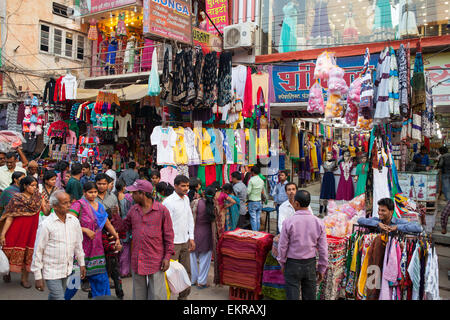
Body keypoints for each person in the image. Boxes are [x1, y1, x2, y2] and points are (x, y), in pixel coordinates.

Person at [112, 180, 174, 300]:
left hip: (156, 258)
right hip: (138, 258)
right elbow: (123, 227)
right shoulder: (134, 210)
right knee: (138, 294)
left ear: (143, 194)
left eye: (134, 193)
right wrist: (116, 217)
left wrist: (167, 257)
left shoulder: (162, 211)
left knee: (156, 295)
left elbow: (169, 236)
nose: (131, 195)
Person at [68, 182, 121, 298]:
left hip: (96, 249)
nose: (93, 195)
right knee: (74, 282)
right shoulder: (79, 205)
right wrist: (85, 230)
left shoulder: (100, 206)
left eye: (95, 192)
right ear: (84, 193)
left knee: (101, 281)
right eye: (90, 192)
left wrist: (117, 237)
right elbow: (68, 222)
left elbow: (107, 224)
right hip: (81, 248)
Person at [31, 190, 86, 300]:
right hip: (51, 271)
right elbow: (38, 250)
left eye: (69, 202)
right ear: (55, 206)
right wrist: (38, 276)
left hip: (67, 268)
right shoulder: (46, 225)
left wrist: (82, 263)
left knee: (56, 296)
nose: (69, 205)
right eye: (64, 203)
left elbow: (78, 244)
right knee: (60, 297)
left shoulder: (74, 221)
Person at [0, 176, 50, 288]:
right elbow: (9, 217)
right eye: (32, 185)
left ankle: (24, 279)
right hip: (15, 230)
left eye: (35, 185)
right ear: (25, 186)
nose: (34, 188)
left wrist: (49, 205)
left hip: (31, 231)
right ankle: (6, 272)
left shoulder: (38, 197)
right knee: (9, 252)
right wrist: (3, 234)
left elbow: (46, 212)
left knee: (28, 254)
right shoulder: (16, 198)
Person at [277, 190, 328, 300]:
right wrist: (322, 268)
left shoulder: (288, 222)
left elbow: (282, 246)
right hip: (310, 264)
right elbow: (323, 249)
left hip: (292, 264)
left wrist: (281, 262)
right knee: (309, 296)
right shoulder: (319, 222)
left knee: (292, 296)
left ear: (296, 204)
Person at [162, 175, 195, 300]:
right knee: (169, 273)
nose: (186, 188)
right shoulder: (168, 202)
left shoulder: (186, 199)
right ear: (175, 186)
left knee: (186, 272)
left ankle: (183, 298)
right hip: (172, 244)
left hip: (185, 241)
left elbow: (190, 219)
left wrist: (191, 238)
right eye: (183, 186)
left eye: (187, 186)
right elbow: (165, 225)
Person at [190, 186, 215, 289]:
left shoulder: (195, 203)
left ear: (203, 193)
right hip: (207, 234)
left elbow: (190, 217)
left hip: (194, 233)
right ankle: (201, 281)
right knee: (205, 260)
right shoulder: (214, 206)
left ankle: (193, 280)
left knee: (192, 258)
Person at [357, 198, 423, 233]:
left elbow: (419, 228)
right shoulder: (377, 220)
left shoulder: (398, 222)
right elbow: (360, 220)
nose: (379, 212)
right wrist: (378, 224)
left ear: (391, 212)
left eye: (383, 210)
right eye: (379, 210)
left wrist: (397, 227)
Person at [115, 180, 133, 277]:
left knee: (118, 247)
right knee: (125, 248)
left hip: (117, 224)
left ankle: (118, 269)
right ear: (123, 187)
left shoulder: (114, 197)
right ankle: (124, 271)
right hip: (126, 225)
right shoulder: (128, 197)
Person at [247, 166, 266, 231]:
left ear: (252, 172)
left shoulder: (251, 180)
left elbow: (248, 192)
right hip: (259, 202)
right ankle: (257, 232)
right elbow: (262, 191)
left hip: (252, 201)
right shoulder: (261, 181)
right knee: (257, 218)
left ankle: (255, 232)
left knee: (253, 218)